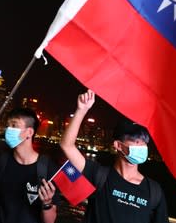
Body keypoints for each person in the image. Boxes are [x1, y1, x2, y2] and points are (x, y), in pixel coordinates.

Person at [60, 89, 168, 223]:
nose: (142, 147)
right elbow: (67, 145)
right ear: (118, 145)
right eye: (136, 142)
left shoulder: (154, 191)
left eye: (144, 143)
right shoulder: (99, 175)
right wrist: (81, 110)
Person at [0, 107, 59, 223]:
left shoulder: (48, 168)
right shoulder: (1, 161)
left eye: (14, 125)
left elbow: (50, 221)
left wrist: (47, 203)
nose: (8, 129)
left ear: (29, 132)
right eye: (8, 125)